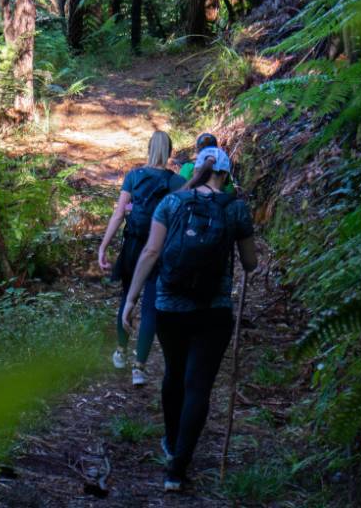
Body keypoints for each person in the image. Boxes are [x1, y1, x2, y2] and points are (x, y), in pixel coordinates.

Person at [121, 146, 258, 492]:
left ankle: (170, 441)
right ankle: (177, 468)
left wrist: (132, 299)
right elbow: (251, 262)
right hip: (214, 311)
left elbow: (152, 252)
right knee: (198, 385)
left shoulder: (171, 202)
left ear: (195, 169)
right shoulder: (235, 208)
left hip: (170, 306)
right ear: (225, 176)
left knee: (174, 375)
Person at [96, 131, 185, 386]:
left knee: (127, 298)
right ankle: (140, 367)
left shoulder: (134, 176)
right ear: (169, 152)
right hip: (159, 248)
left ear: (148, 149)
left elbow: (117, 215)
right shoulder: (176, 182)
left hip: (134, 246)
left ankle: (121, 352)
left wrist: (104, 246)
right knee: (150, 307)